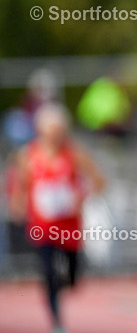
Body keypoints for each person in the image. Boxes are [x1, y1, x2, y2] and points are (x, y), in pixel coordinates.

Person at [9, 103, 106, 333]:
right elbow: (19, 186)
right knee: (48, 272)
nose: (54, 136)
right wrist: (18, 204)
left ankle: (65, 283)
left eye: (58, 130)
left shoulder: (75, 153)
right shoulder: (27, 156)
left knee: (72, 277)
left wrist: (81, 197)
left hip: (69, 225)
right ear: (41, 130)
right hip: (42, 226)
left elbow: (98, 181)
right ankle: (56, 322)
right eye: (50, 131)